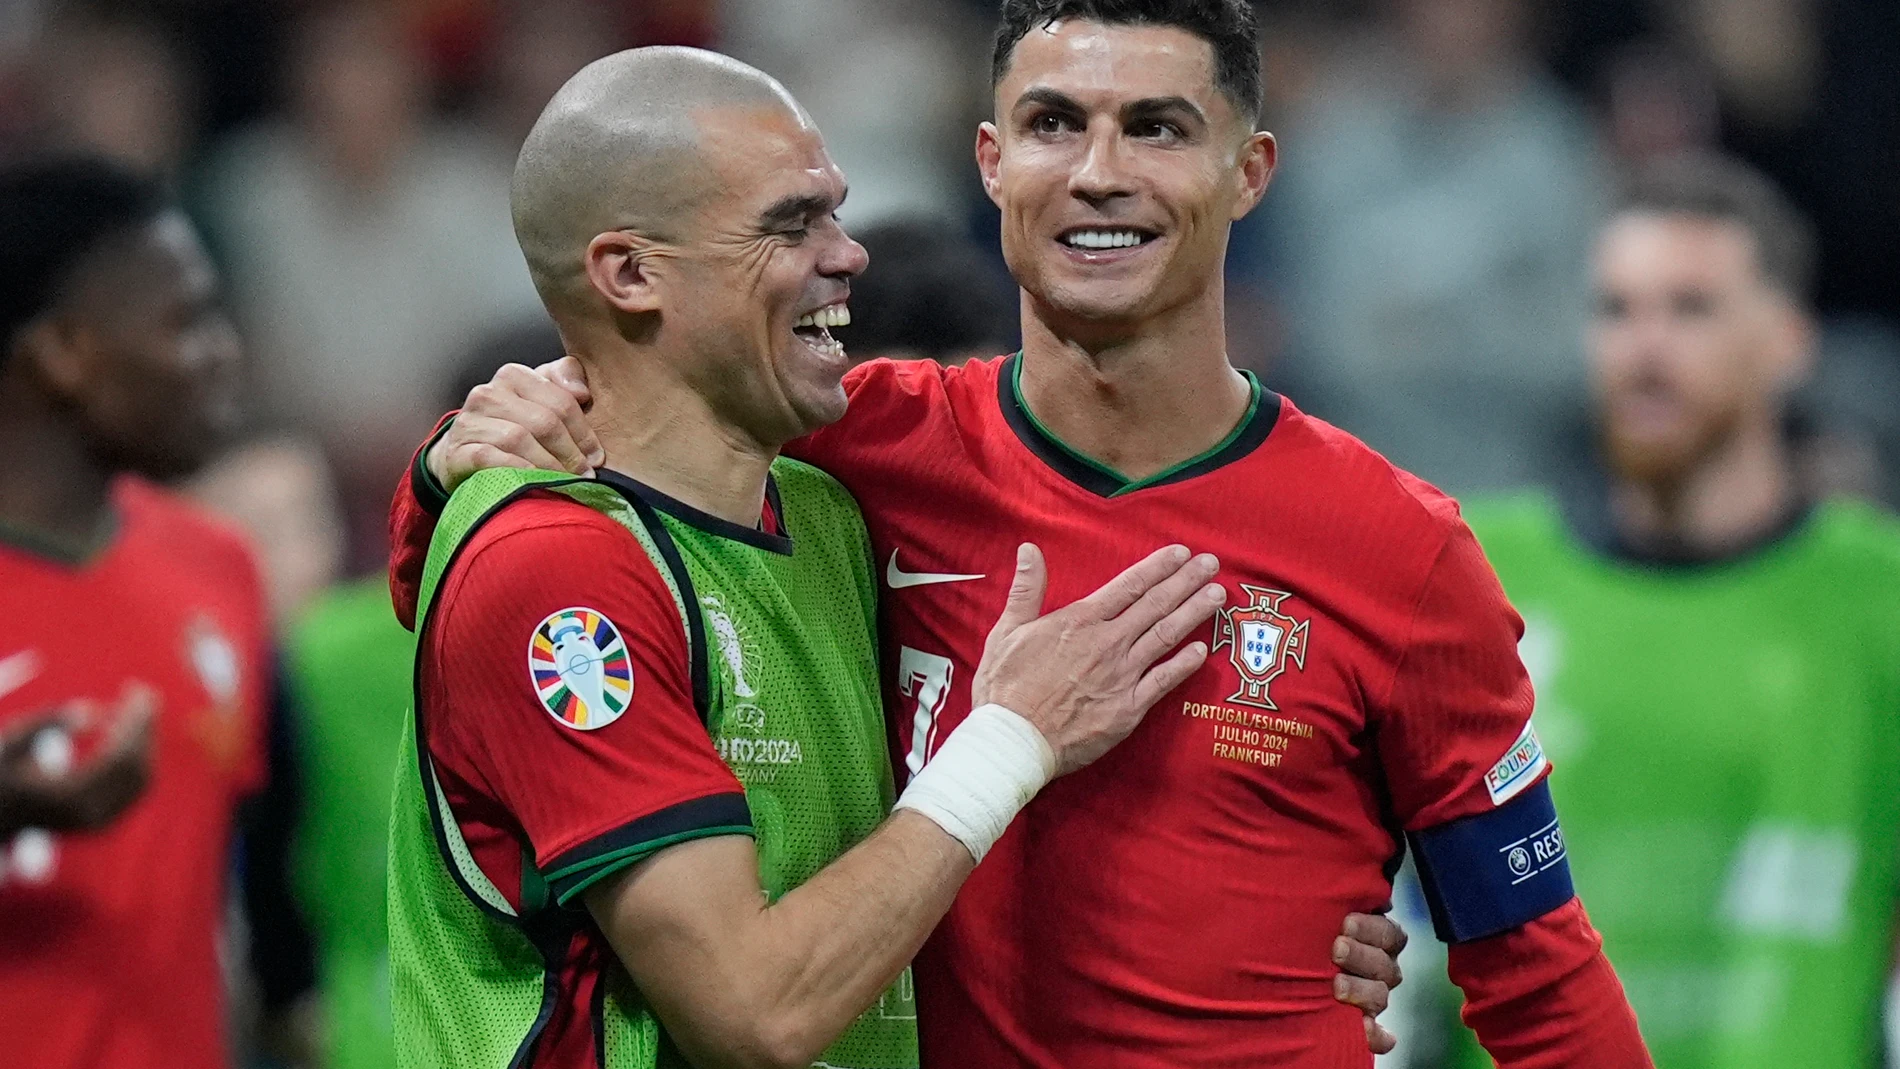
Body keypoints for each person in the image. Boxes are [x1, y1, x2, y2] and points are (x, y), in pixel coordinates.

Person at [399, 5, 1641, 1066]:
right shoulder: (854, 456)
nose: (1098, 172)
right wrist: (450, 464)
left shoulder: (1400, 549)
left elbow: (1534, 967)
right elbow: (549, 558)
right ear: (990, 161)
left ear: (1249, 173)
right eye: (1054, 123)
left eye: (1157, 127)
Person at [1435, 156, 1900, 1068]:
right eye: (1616, 310)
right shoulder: (1474, 575)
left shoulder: (1879, 591)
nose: (1643, 349)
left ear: (1788, 340)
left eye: (1691, 309)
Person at [0, 157, 275, 1069]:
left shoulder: (219, 566)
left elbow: (215, 901)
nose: (225, 352)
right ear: (62, 354)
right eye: (187, 321)